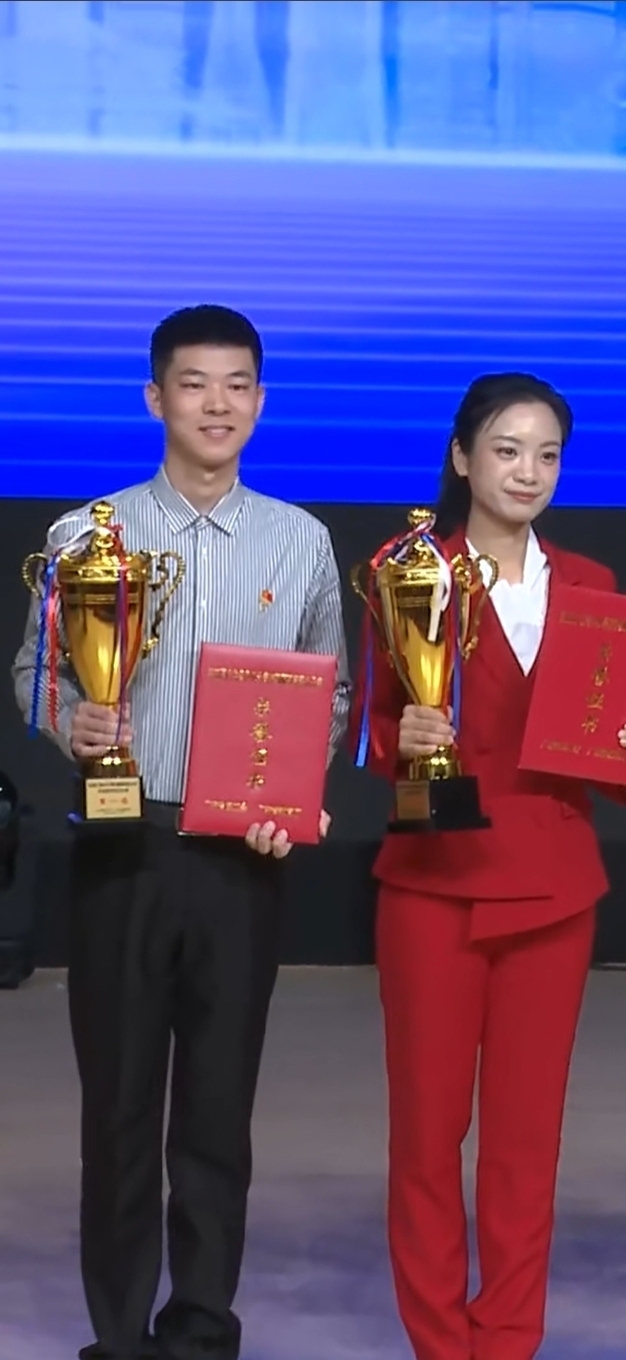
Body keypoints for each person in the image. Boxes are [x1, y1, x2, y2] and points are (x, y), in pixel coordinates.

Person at [9, 304, 352, 1360]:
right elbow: (34, 674)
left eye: (237, 384)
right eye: (195, 384)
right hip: (125, 843)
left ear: (260, 400)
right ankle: (118, 1337)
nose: (217, 404)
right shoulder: (86, 536)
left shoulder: (300, 541)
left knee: (216, 1111)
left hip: (243, 857)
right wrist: (73, 719)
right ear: (156, 397)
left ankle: (201, 1328)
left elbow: (331, 696)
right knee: (117, 1111)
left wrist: (291, 795)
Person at [357, 372, 626, 1360]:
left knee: (526, 1144)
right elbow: (371, 723)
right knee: (426, 1135)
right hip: (434, 882)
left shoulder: (593, 586)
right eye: (505, 449)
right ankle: (437, 1342)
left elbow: (600, 743)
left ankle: (505, 1342)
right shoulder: (408, 570)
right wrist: (401, 737)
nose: (527, 470)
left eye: (546, 454)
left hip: (553, 886)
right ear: (462, 458)